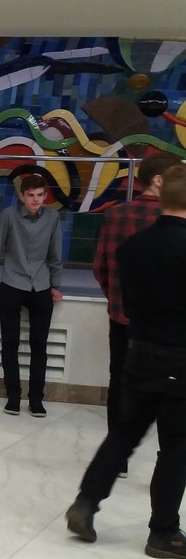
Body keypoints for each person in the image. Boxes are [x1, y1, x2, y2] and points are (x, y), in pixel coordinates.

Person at [66, 163, 186, 559]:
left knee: (123, 434)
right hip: (181, 358)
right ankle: (163, 532)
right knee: (176, 447)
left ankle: (86, 502)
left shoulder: (134, 248)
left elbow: (119, 291)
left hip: (139, 350)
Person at [92, 152, 179, 476]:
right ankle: (168, 462)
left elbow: (100, 267)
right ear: (158, 180)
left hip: (122, 318)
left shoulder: (115, 215)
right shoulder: (175, 220)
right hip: (168, 328)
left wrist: (116, 299)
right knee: (172, 391)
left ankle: (118, 460)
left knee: (119, 382)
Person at [0, 173, 64, 417]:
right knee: (10, 343)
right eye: (30, 195)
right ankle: (13, 397)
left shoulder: (53, 217)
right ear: (22, 196)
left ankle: (36, 399)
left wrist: (56, 284)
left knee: (39, 345)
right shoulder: (8, 215)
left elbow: (55, 253)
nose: (35, 200)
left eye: (40, 195)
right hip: (12, 282)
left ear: (45, 196)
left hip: (40, 285)